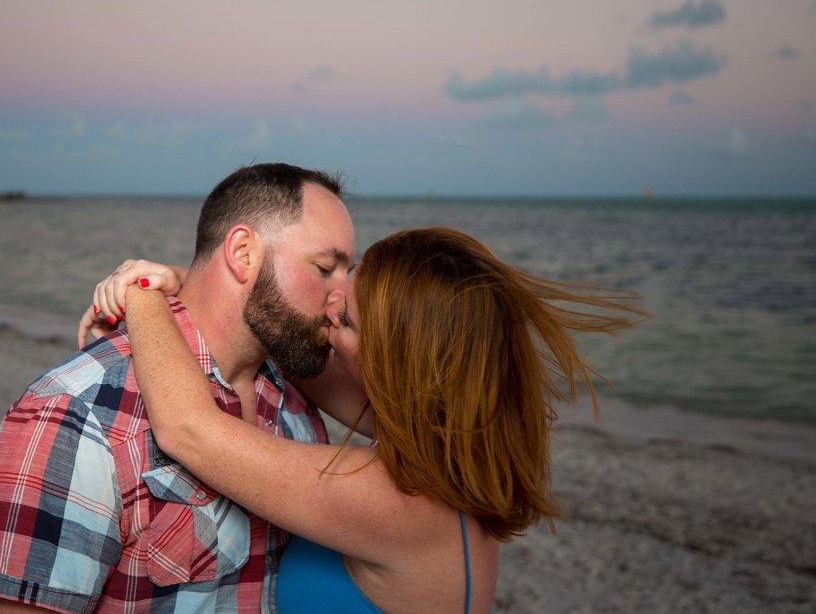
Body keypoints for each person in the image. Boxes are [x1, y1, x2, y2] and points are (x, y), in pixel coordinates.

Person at [85, 227, 646, 613]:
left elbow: (189, 430)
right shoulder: (443, 451)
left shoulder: (399, 502)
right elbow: (285, 347)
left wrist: (140, 291)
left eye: (345, 320)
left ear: (397, 365)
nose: (328, 310)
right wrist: (195, 281)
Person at [0, 163, 357, 613]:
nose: (341, 297)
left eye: (347, 273)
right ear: (243, 253)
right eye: (325, 268)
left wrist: (162, 284)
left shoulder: (295, 395)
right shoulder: (73, 417)